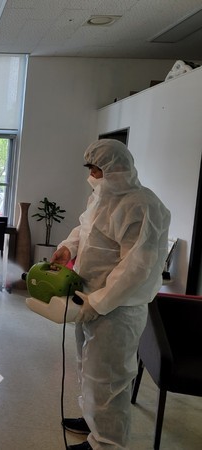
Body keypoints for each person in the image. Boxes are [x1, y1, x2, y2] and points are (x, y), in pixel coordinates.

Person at [50, 139, 170, 450]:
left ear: (116, 169)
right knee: (87, 367)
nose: (91, 176)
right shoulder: (100, 198)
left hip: (118, 309)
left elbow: (136, 267)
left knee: (109, 379)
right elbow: (84, 229)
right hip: (87, 298)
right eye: (90, 169)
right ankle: (92, 421)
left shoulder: (143, 206)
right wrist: (68, 248)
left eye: (96, 169)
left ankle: (106, 442)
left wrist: (99, 301)